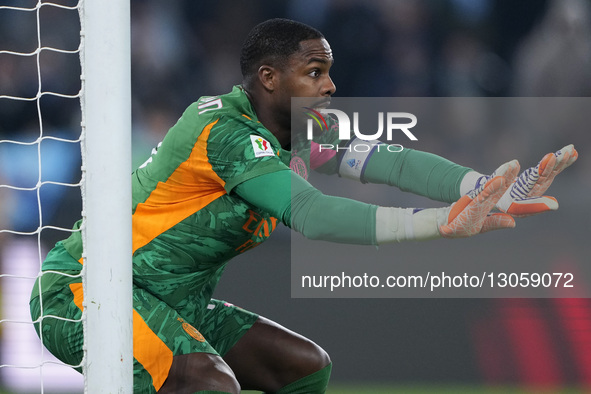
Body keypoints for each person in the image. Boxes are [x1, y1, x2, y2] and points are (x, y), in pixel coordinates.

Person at [30, 18, 578, 394]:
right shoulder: (224, 131)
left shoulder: (302, 130)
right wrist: (442, 224)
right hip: (87, 291)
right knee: (208, 382)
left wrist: (488, 189)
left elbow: (393, 162)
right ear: (269, 79)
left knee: (302, 369)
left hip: (174, 301)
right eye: (314, 72)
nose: (331, 85)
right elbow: (313, 214)